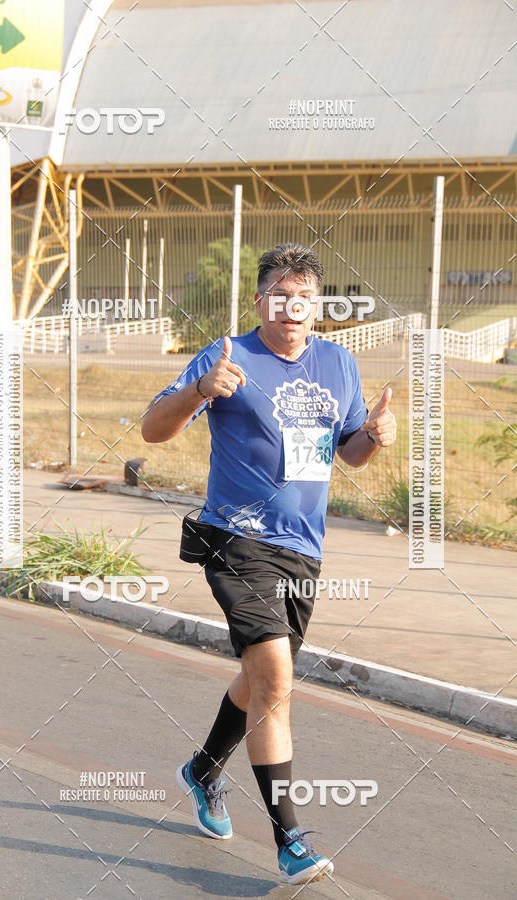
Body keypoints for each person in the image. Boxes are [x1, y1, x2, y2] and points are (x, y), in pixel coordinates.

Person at [141, 243, 397, 884]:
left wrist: (373, 435)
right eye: (279, 297)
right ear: (260, 301)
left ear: (316, 307)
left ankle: (203, 770)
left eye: (303, 298)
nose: (291, 308)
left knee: (263, 680)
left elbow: (348, 453)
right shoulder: (229, 355)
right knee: (277, 676)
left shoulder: (338, 364)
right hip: (233, 538)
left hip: (301, 548)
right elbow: (151, 429)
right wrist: (202, 388)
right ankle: (290, 839)